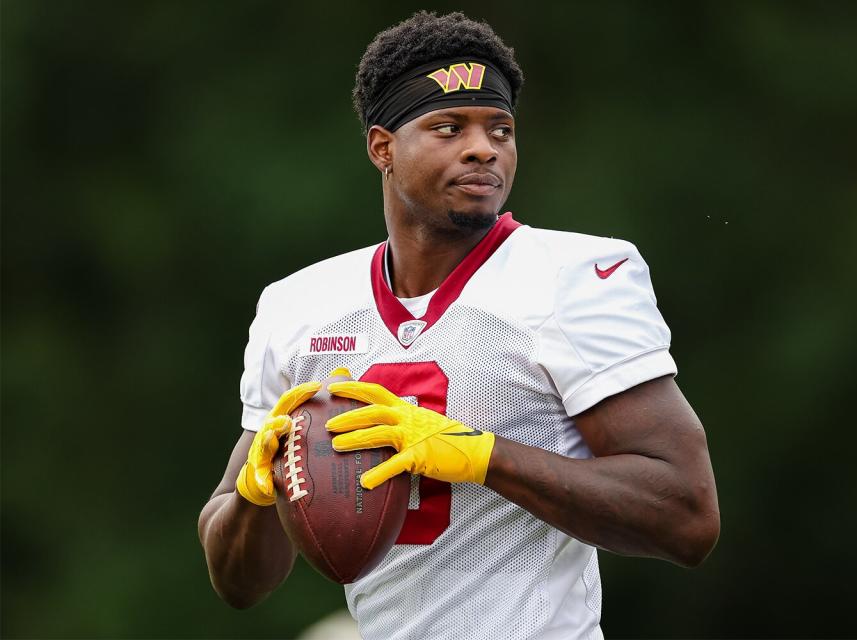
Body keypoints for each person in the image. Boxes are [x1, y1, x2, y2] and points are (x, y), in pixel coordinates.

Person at [199, 11, 720, 639]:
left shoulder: (572, 277)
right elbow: (239, 582)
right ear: (382, 147)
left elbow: (687, 517)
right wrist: (257, 497)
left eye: (500, 128)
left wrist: (477, 456)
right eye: (448, 127)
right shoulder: (299, 306)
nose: (483, 147)